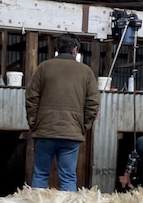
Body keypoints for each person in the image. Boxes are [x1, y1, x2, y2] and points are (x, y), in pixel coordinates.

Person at [25, 33, 100, 192]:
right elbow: (93, 103)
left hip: (45, 131)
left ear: (58, 49)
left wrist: (34, 124)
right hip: (71, 133)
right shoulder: (86, 71)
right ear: (75, 49)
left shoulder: (44, 67)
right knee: (68, 177)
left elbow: (31, 98)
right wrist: (83, 126)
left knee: (40, 175)